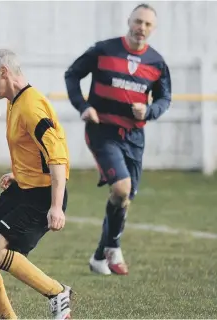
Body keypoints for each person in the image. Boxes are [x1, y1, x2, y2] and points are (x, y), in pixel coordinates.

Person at [0, 48, 73, 320]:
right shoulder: (14, 100)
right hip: (23, 188)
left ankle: (57, 292)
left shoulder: (31, 106)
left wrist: (56, 206)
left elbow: (57, 157)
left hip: (41, 197)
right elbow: (35, 151)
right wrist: (20, 173)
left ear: (3, 72)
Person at [64, 3, 171, 276]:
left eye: (147, 24)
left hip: (134, 137)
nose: (141, 28)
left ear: (153, 29)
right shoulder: (103, 50)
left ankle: (100, 256)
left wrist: (149, 110)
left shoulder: (157, 63)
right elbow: (72, 74)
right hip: (103, 132)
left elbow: (164, 98)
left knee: (123, 197)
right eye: (138, 22)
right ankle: (114, 247)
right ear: (129, 21)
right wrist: (83, 106)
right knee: (122, 189)